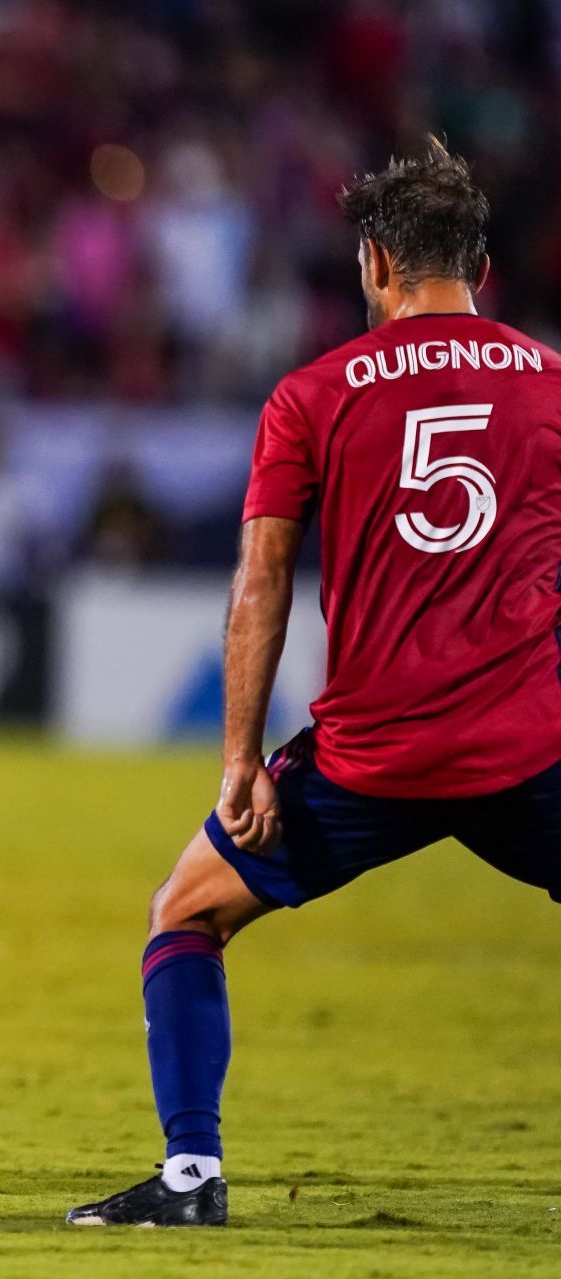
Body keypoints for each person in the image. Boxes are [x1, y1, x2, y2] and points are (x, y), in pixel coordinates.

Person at [68, 140, 561, 1227]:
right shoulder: (554, 385)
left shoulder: (314, 393)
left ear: (378, 263)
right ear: (477, 266)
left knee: (184, 913)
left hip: (370, 758)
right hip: (531, 747)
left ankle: (191, 1179)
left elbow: (261, 585)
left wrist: (243, 757)